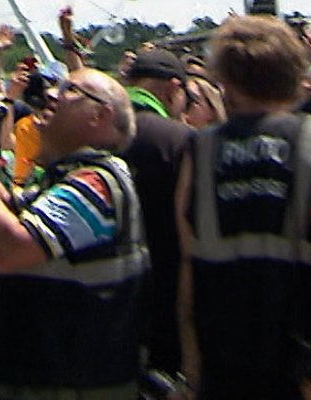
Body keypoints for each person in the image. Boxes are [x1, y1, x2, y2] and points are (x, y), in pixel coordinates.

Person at [179, 15, 311, 399]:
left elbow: (190, 268)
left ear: (226, 80)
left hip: (224, 366)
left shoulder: (199, 151)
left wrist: (194, 370)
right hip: (304, 371)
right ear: (294, 73)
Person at [0, 68, 147, 400]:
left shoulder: (94, 185)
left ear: (100, 115)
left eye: (70, 91)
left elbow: (10, 248)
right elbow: (11, 210)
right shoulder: (68, 178)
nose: (50, 95)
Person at [120, 47, 195, 380]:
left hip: (95, 303)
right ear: (173, 89)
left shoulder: (88, 129)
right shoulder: (180, 141)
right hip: (164, 301)